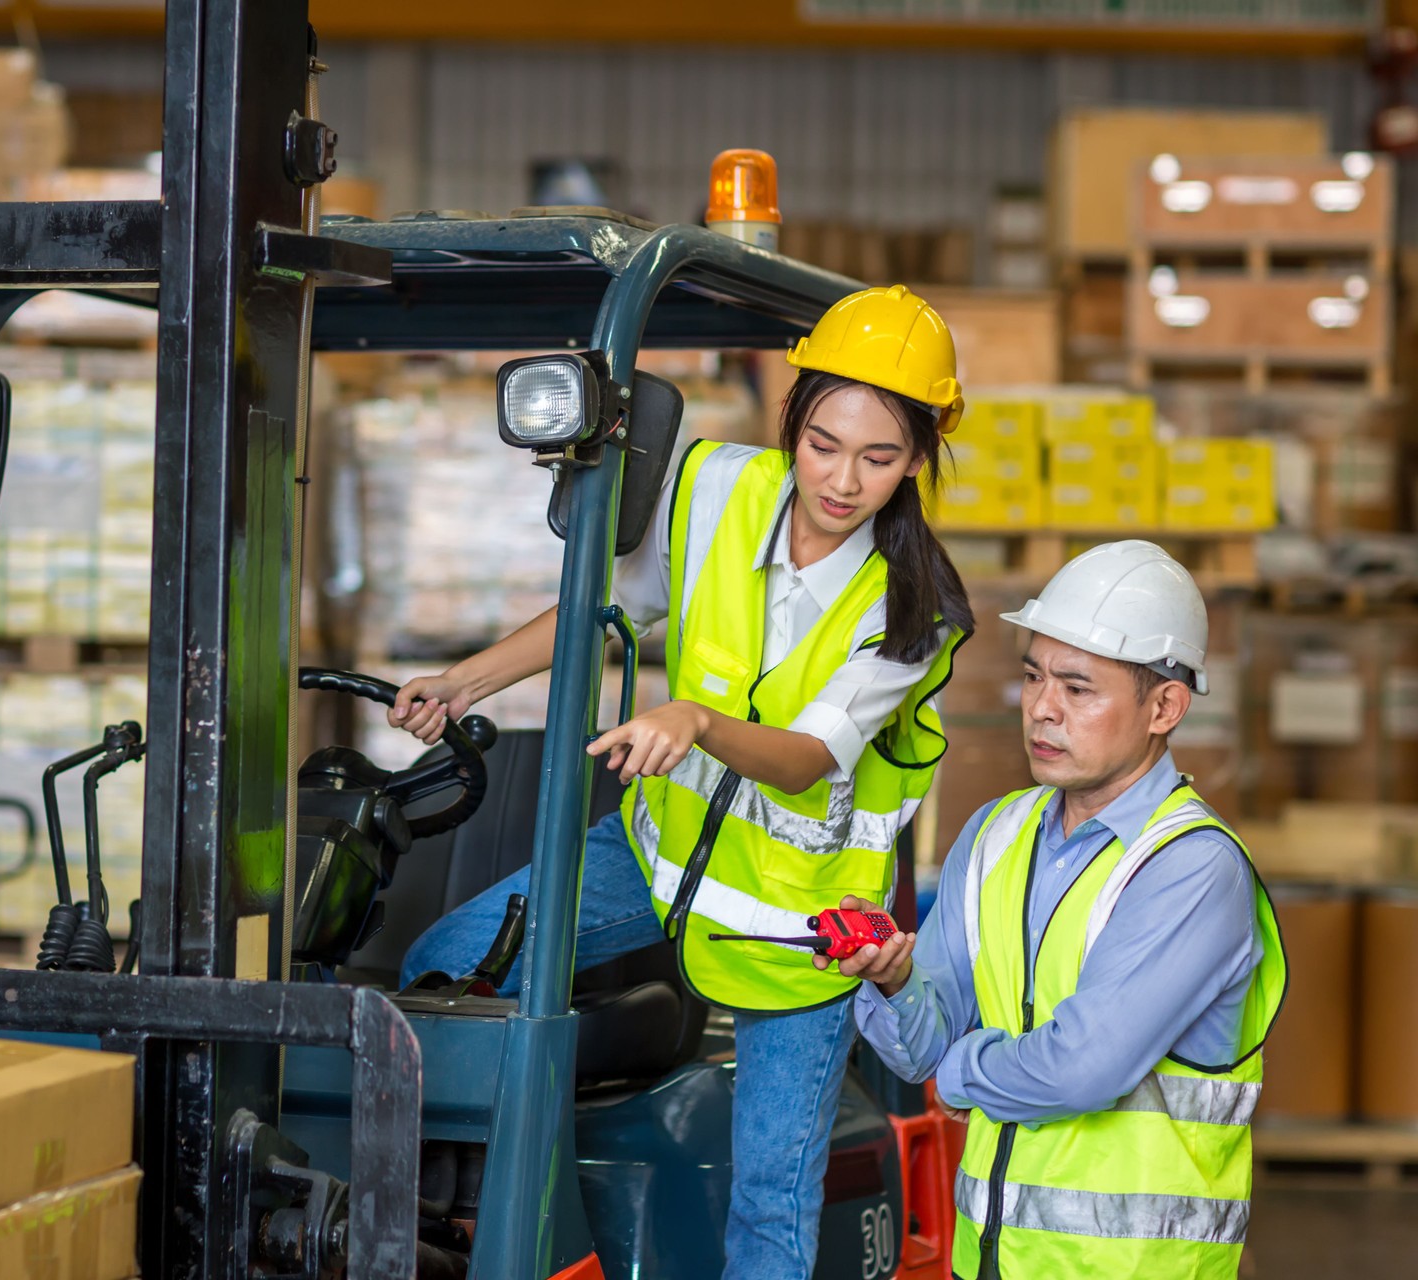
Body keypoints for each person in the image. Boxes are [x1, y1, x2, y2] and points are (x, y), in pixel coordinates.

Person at [389, 284, 976, 1278]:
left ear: (919, 458)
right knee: (440, 972)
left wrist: (695, 719)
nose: (843, 479)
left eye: (879, 458)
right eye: (823, 443)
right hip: (653, 857)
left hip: (799, 927)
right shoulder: (715, 490)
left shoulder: (915, 609)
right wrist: (464, 680)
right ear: (791, 416)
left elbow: (807, 757)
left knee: (772, 1198)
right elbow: (607, 605)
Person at [836, 541, 1287, 1280]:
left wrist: (958, 1071)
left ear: (1164, 708)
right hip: (987, 1258)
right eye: (1033, 676)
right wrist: (894, 982)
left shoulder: (1192, 866)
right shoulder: (994, 835)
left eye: (1078, 688)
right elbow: (921, 1048)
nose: (1042, 708)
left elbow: (1081, 1069)